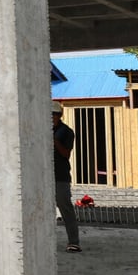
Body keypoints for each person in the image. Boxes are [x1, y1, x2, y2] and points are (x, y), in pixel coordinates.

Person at [52, 100, 81, 253]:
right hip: (43, 176)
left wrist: (55, 140)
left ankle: (74, 241)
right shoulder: (42, 130)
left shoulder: (66, 132)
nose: (51, 117)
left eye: (54, 115)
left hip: (60, 176)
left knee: (65, 208)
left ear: (59, 116)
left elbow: (65, 154)